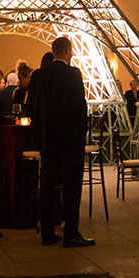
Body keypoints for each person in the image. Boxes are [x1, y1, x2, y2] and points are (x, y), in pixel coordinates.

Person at [30, 36, 93, 247]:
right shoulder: (73, 74)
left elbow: (32, 107)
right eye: (71, 51)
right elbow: (80, 107)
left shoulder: (39, 76)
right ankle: (71, 233)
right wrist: (81, 132)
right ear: (67, 51)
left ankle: (47, 233)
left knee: (47, 185)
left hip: (48, 138)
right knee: (72, 185)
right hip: (70, 138)